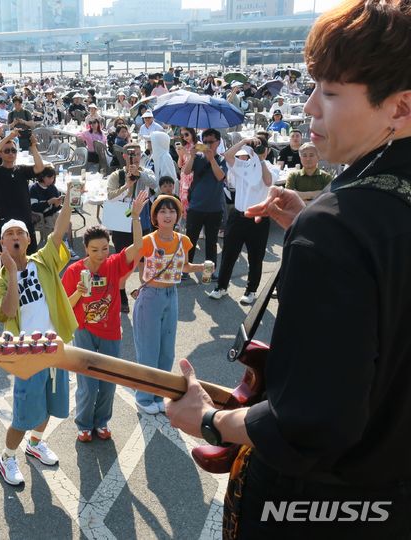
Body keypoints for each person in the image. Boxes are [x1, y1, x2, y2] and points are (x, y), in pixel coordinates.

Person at [166, 1, 411, 537]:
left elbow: (312, 422)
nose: (308, 108)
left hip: (319, 505)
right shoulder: (358, 219)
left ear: (399, 107)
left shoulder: (335, 231)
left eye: (329, 91)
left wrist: (208, 420)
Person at [0, 194, 77, 486]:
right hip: (26, 355)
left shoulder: (44, 260)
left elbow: (60, 230)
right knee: (23, 413)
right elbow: (8, 312)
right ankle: (7, 457)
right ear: (2, 243)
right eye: (9, 234)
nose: (15, 237)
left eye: (20, 233)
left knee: (53, 404)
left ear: (28, 240)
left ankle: (36, 443)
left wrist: (67, 202)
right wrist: (13, 274)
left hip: (55, 347)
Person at [61, 191, 148, 442]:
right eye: (94, 249)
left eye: (104, 248)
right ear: (85, 249)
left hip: (111, 331)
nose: (100, 254)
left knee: (109, 382)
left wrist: (136, 218)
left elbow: (139, 247)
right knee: (88, 383)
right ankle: (84, 424)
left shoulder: (114, 264)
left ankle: (101, 422)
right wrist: (78, 292)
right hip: (84, 331)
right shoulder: (74, 271)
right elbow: (66, 306)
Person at [133, 195, 210, 414]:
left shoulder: (183, 240)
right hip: (151, 296)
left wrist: (202, 268)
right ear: (155, 216)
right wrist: (136, 218)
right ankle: (144, 397)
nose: (168, 215)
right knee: (148, 350)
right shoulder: (148, 241)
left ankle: (159, 393)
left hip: (172, 295)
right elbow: (136, 258)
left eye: (172, 211)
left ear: (178, 214)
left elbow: (183, 267)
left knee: (166, 350)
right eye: (162, 211)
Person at [209, 138, 275, 305]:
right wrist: (245, 142)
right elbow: (228, 155)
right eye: (256, 147)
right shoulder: (242, 166)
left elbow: (268, 181)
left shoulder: (270, 166)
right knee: (229, 254)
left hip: (259, 218)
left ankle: (251, 290)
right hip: (238, 216)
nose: (259, 149)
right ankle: (221, 287)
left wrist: (260, 159)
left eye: (262, 147)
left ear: (267, 150)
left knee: (255, 257)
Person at [106, 142, 158, 311]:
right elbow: (110, 197)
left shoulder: (146, 172)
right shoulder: (116, 175)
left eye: (136, 154)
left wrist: (138, 174)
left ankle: (144, 294)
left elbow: (154, 184)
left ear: (141, 155)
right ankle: (121, 297)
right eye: (130, 154)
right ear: (124, 156)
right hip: (121, 224)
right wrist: (127, 185)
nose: (133, 157)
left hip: (141, 224)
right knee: (123, 263)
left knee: (144, 261)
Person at [0, 129, 45, 254]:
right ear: (0, 154)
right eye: (7, 151)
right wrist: (7, 138)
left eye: (13, 150)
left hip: (25, 220)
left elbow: (40, 167)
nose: (11, 153)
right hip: (5, 221)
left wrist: (33, 146)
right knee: (8, 258)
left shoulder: (21, 170)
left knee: (30, 256)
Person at [181, 128, 227, 278]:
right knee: (190, 241)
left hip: (214, 209)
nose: (207, 145)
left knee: (211, 243)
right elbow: (186, 171)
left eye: (211, 142)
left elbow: (220, 177)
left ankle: (209, 273)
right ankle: (185, 271)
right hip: (196, 207)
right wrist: (192, 156)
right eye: (205, 142)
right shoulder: (198, 158)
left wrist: (211, 158)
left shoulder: (221, 159)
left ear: (218, 142)